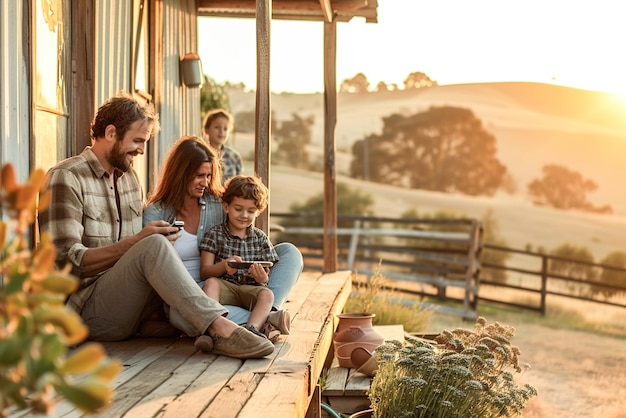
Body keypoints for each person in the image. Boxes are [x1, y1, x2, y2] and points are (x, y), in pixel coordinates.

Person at [39, 93, 274, 359]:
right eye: (137, 141)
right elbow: (64, 265)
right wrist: (141, 241)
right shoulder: (66, 177)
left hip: (136, 307)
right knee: (152, 244)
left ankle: (253, 316)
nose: (141, 150)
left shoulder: (128, 178)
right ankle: (220, 328)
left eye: (144, 142)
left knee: (158, 246)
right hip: (87, 312)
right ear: (111, 133)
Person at [143, 137, 302, 335]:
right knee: (181, 315)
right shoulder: (156, 214)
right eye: (199, 176)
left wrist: (258, 274)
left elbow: (245, 223)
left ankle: (264, 312)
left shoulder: (218, 204)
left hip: (229, 285)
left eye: (209, 176)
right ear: (181, 174)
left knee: (289, 252)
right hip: (185, 291)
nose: (206, 182)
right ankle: (268, 319)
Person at [200, 175, 291, 343]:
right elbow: (205, 272)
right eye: (238, 209)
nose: (244, 215)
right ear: (226, 207)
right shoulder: (215, 234)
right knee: (211, 283)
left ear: (258, 211)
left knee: (268, 294)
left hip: (250, 288)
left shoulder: (260, 238)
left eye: (250, 211)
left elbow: (266, 275)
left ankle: (252, 331)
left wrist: (262, 279)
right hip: (225, 287)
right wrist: (223, 266)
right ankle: (212, 329)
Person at [202, 109, 243, 182]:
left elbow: (239, 185)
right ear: (206, 129)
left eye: (225, 129)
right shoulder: (200, 154)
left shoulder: (234, 156)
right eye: (217, 127)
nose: (221, 132)